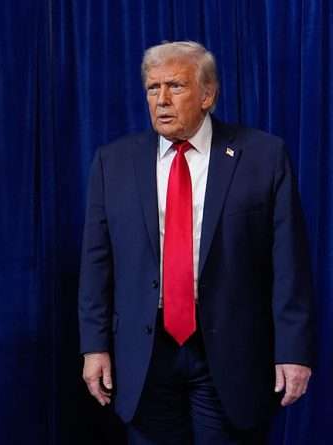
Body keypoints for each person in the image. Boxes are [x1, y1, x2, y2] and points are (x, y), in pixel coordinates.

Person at [78, 41, 315, 444]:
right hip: (144, 354)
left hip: (230, 351)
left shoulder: (263, 156)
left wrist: (293, 351)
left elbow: (289, 263)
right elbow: (96, 263)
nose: (162, 100)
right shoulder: (113, 162)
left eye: (175, 86)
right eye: (153, 88)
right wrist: (94, 346)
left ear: (208, 95)